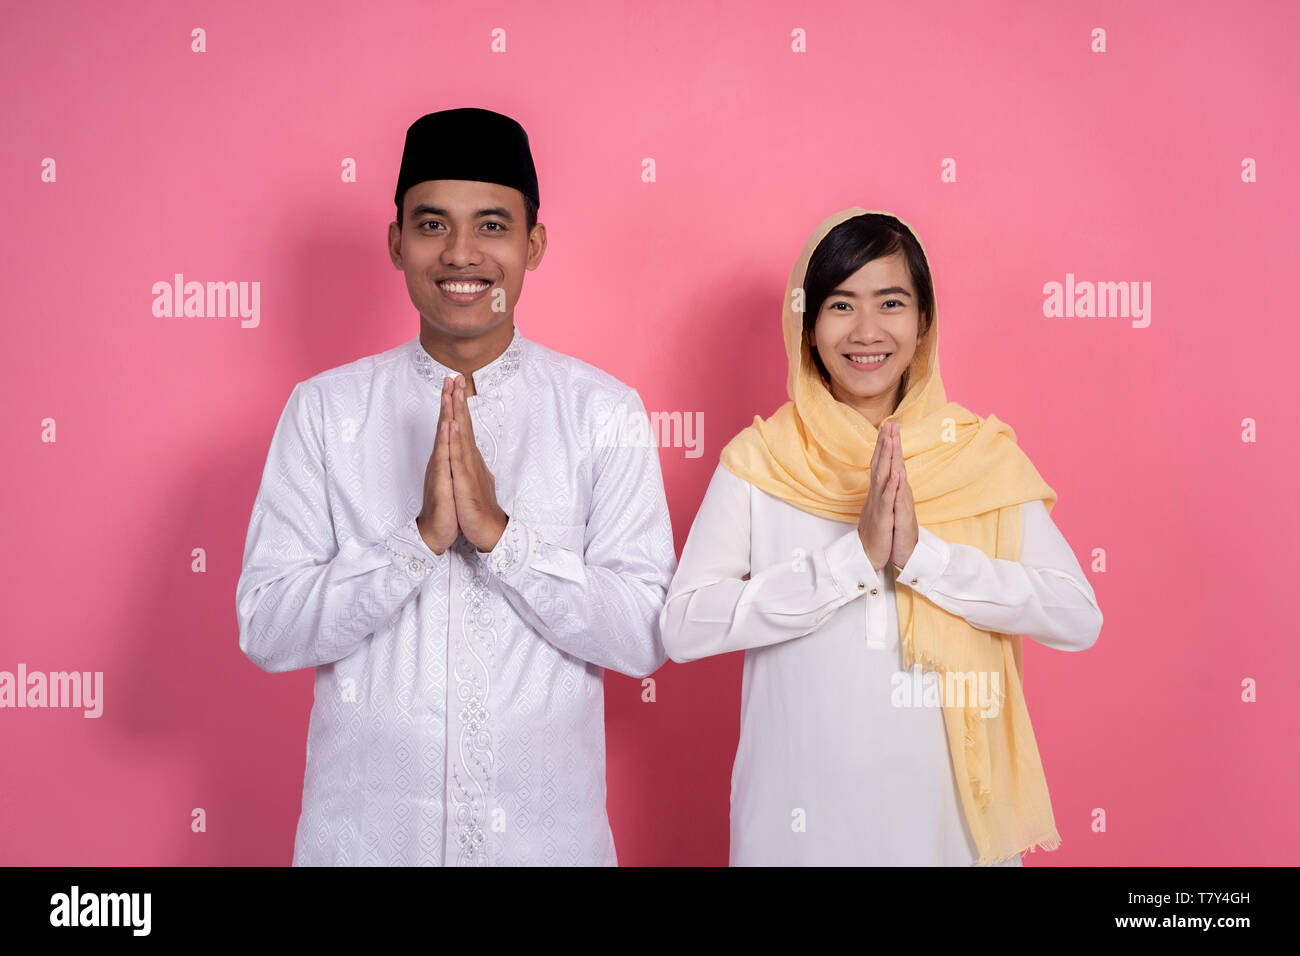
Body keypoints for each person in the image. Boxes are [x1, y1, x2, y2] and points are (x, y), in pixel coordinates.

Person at [235, 107, 676, 866]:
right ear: (396, 242)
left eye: (492, 226)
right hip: (365, 846)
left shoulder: (603, 411)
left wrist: (506, 539)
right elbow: (267, 627)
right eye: (433, 225)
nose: (462, 253)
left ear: (533, 244)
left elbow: (644, 634)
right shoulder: (325, 411)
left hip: (548, 847)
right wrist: (417, 543)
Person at [659, 208, 1103, 866]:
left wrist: (926, 560)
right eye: (840, 305)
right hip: (800, 827)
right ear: (807, 327)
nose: (866, 331)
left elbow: (1077, 616)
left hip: (949, 829)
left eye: (890, 302)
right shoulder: (761, 461)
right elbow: (683, 625)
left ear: (923, 322)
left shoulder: (976, 457)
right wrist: (851, 562)